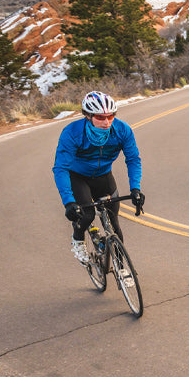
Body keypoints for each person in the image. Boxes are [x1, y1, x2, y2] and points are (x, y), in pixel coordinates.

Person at [53, 91, 145, 264]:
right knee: (86, 215)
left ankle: (122, 268)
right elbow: (61, 168)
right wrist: (68, 202)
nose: (107, 122)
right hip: (78, 177)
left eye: (110, 116)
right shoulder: (72, 133)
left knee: (114, 224)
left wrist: (135, 188)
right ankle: (78, 240)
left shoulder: (122, 130)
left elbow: (133, 159)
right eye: (101, 117)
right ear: (88, 115)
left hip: (103, 176)